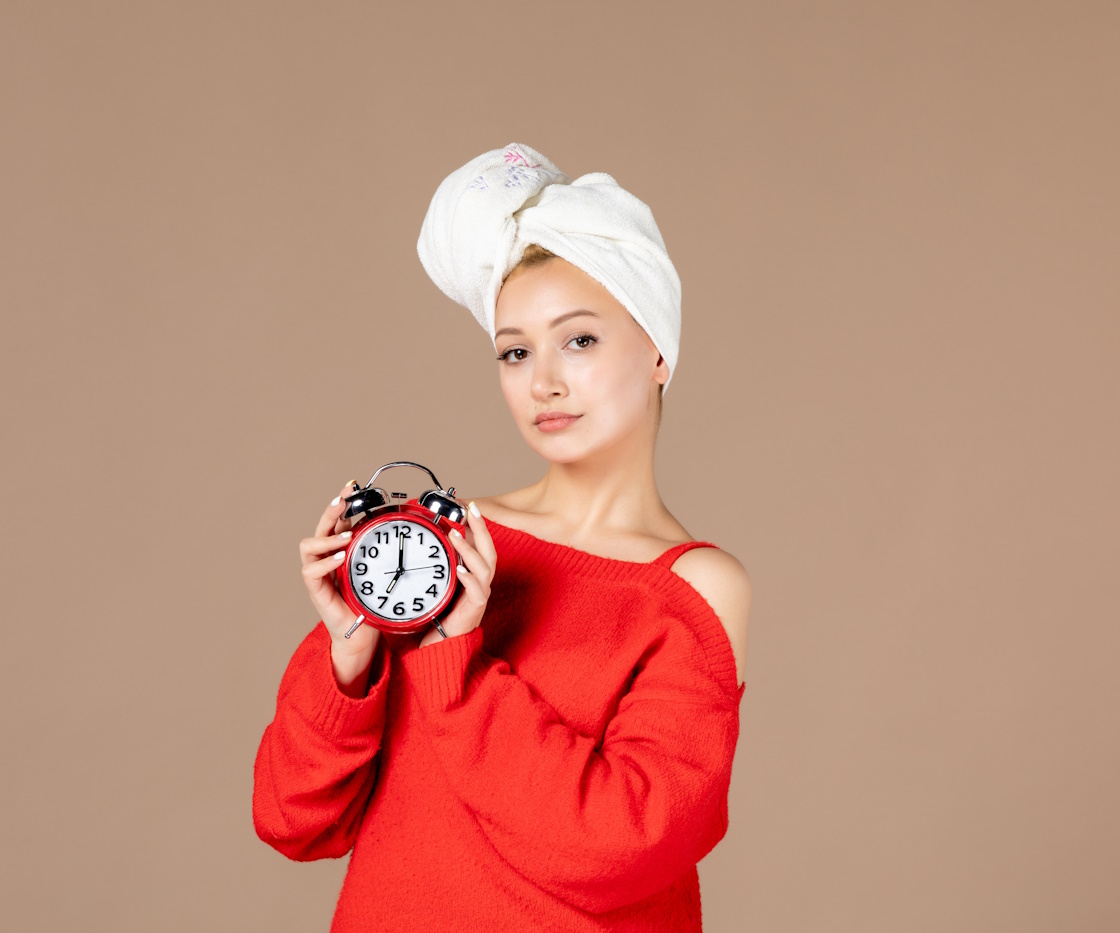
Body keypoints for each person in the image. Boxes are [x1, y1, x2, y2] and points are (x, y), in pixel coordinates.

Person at [253, 143, 750, 932]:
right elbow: (293, 819)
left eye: (579, 339)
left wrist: (457, 662)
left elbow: (620, 847)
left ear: (657, 349)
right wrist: (346, 657)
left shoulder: (693, 587)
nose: (541, 380)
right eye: (515, 350)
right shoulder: (444, 546)